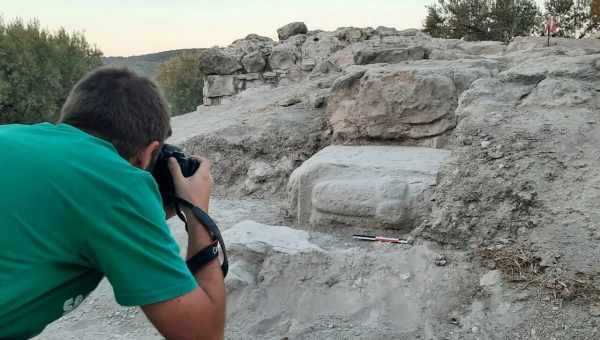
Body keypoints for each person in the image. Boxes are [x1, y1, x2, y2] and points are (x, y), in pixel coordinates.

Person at [0, 67, 226, 339]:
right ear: (149, 154)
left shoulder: (13, 136)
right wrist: (197, 214)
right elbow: (202, 334)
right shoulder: (118, 183)